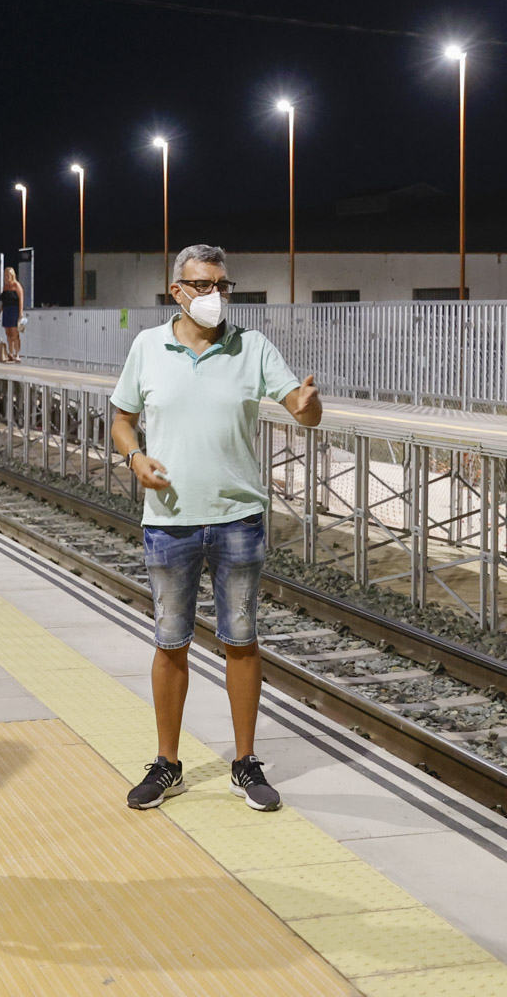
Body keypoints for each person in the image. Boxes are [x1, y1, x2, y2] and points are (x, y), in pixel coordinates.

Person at [110, 244, 322, 813]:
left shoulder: (251, 346)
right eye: (202, 286)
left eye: (222, 286)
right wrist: (135, 459)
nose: (215, 297)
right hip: (170, 522)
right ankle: (167, 763)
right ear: (176, 290)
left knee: (242, 642)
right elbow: (122, 420)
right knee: (170, 643)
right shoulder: (147, 347)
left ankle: (245, 762)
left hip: (237, 519)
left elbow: (301, 408)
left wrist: (306, 405)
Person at [0, 266, 23, 363]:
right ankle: (10, 353)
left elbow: (21, 300)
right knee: (8, 333)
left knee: (15, 333)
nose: (7, 277)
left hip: (15, 310)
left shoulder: (17, 285)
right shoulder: (5, 287)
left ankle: (17, 354)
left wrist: (20, 313)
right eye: (5, 275)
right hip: (6, 310)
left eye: (8, 275)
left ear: (12, 275)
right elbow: (3, 301)